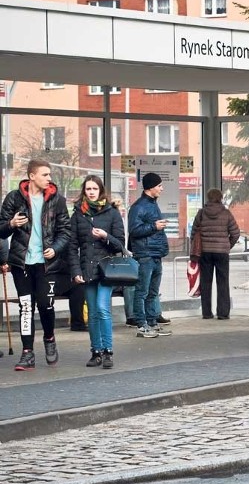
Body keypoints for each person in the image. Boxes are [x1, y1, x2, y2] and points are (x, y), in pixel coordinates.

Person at [0, 159, 71, 371]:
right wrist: (11, 224)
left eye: (50, 175)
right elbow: (1, 230)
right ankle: (27, 353)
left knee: (45, 305)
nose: (49, 178)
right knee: (26, 307)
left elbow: (65, 231)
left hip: (47, 265)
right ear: (32, 176)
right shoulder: (14, 198)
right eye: (45, 175)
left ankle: (49, 338)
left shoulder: (57, 200)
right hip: (21, 264)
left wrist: (55, 248)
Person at [69, 175, 126, 368]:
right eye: (88, 189)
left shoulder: (111, 212)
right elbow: (72, 246)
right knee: (92, 312)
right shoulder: (78, 213)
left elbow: (120, 244)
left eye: (94, 188)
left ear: (101, 190)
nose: (91, 192)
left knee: (102, 309)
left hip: (107, 270)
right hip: (87, 269)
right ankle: (96, 351)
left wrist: (105, 236)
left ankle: (108, 351)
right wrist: (76, 270)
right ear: (84, 191)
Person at [128, 172, 171, 338]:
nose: (162, 188)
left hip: (155, 254)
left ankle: (152, 322)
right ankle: (141, 324)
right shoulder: (138, 207)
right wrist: (154, 226)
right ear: (151, 187)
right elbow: (134, 230)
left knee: (153, 291)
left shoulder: (153, 204)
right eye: (159, 185)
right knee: (142, 291)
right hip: (145, 255)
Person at [190, 188, 240, 320]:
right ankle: (223, 313)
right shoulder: (226, 214)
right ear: (220, 198)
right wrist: (228, 245)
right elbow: (235, 233)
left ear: (208, 198)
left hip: (205, 252)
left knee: (206, 282)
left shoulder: (201, 213)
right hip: (222, 253)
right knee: (223, 282)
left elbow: (194, 233)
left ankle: (206, 313)